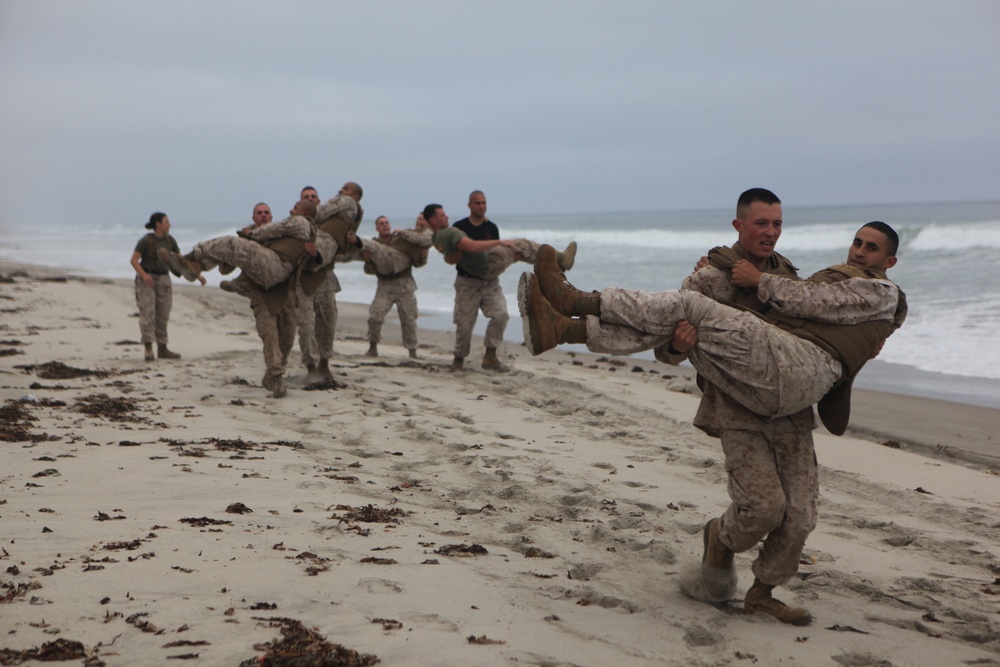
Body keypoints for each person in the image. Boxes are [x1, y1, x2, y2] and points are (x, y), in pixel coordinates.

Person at [520, 224, 905, 624]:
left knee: (801, 516)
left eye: (776, 224)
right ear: (740, 225)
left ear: (888, 261)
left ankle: (762, 593)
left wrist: (763, 284)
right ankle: (570, 312)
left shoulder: (793, 281)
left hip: (786, 400)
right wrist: (676, 347)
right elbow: (663, 335)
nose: (770, 232)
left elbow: (817, 308)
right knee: (762, 508)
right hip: (737, 403)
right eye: (761, 223)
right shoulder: (710, 276)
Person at [424, 199, 577, 372]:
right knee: (464, 324)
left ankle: (490, 357)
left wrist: (509, 253)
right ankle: (458, 360)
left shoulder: (486, 228)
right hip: (469, 281)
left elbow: (453, 252)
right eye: (443, 215)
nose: (447, 216)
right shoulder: (454, 229)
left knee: (501, 315)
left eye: (483, 203)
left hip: (489, 280)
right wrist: (499, 242)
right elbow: (471, 247)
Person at [160, 199, 329, 290]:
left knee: (231, 243)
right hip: (275, 273)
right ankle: (193, 266)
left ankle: (189, 259)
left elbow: (271, 230)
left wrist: (250, 234)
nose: (291, 211)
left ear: (304, 213)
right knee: (228, 251)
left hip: (275, 267)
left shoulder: (299, 221)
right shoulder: (308, 232)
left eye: (295, 207)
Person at [297, 182, 364, 381]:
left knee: (327, 322)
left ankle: (324, 363)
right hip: (303, 279)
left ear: (319, 201)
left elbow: (344, 255)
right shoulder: (297, 223)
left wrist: (354, 242)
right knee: (306, 325)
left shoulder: (337, 220)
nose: (310, 200)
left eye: (313, 197)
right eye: (305, 197)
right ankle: (310, 366)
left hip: (325, 277)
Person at [129, 212, 204, 362]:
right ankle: (148, 348)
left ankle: (162, 348)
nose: (169, 225)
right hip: (147, 279)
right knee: (147, 312)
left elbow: (181, 260)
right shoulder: (146, 241)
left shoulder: (171, 241)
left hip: (164, 279)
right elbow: (134, 260)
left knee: (163, 314)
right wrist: (144, 275)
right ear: (158, 224)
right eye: (166, 222)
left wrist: (197, 275)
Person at [359, 214, 433, 359]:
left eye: (387, 223)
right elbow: (369, 271)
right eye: (381, 223)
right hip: (385, 286)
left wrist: (423, 256)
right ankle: (373, 347)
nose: (385, 225)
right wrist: (368, 261)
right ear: (377, 228)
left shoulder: (401, 241)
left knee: (409, 320)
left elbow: (418, 264)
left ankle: (412, 351)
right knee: (375, 317)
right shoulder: (374, 245)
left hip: (405, 284)